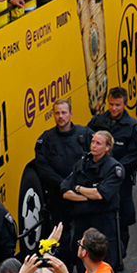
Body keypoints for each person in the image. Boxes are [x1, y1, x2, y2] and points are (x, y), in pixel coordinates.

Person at [88, 87, 137, 253]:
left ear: (125, 105)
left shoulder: (132, 126)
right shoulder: (98, 121)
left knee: (122, 218)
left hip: (121, 180)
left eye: (118, 105)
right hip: (99, 177)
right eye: (111, 104)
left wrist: (114, 168)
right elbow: (88, 143)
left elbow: (136, 153)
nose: (114, 108)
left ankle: (121, 253)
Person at [61, 131, 126, 272]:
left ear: (107, 147)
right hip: (82, 221)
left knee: (107, 264)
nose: (94, 146)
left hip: (104, 222)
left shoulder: (114, 168)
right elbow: (65, 192)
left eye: (98, 143)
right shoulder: (82, 163)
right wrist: (87, 195)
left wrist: (78, 188)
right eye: (92, 142)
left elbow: (100, 194)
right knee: (82, 263)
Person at [34, 99, 93, 240]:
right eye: (57, 113)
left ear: (71, 114)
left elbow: (96, 159)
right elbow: (42, 167)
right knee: (62, 235)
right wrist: (62, 184)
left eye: (64, 113)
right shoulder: (46, 139)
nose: (60, 116)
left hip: (81, 193)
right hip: (58, 195)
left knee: (84, 233)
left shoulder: (85, 134)